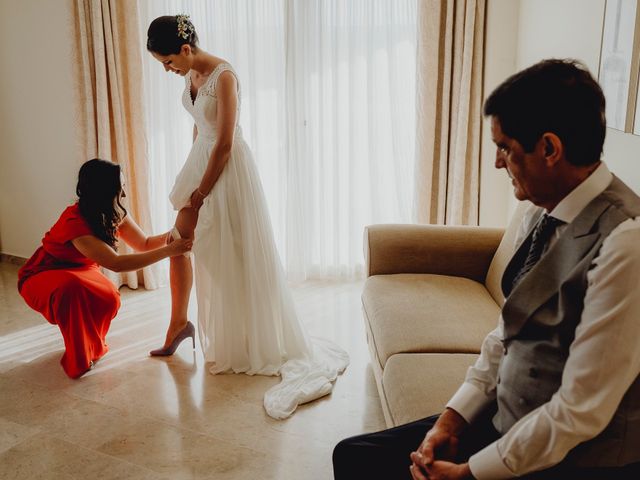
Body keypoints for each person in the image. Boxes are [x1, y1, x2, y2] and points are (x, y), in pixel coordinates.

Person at [333, 59, 640, 479]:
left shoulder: (627, 241)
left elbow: (579, 411)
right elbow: (504, 335)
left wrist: (470, 473)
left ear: (549, 149)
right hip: (506, 421)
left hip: (575, 456)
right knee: (355, 457)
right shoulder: (543, 206)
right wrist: (450, 420)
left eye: (505, 148)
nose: (498, 163)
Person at [145, 14, 349, 419]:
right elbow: (197, 128)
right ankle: (180, 324)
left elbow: (223, 143)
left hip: (227, 172)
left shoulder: (224, 77)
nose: (168, 70)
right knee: (184, 244)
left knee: (232, 252)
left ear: (185, 49)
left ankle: (250, 334)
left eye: (168, 62)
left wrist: (201, 193)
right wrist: (189, 173)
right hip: (200, 163)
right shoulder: (190, 78)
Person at [18, 159, 192, 379]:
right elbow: (116, 264)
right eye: (120, 189)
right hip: (43, 273)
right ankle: (79, 358)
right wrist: (169, 251)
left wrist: (173, 236)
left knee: (110, 298)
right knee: (71, 289)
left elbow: (144, 243)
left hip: (81, 271)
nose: (124, 195)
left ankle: (92, 344)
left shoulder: (114, 212)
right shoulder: (75, 222)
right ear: (103, 191)